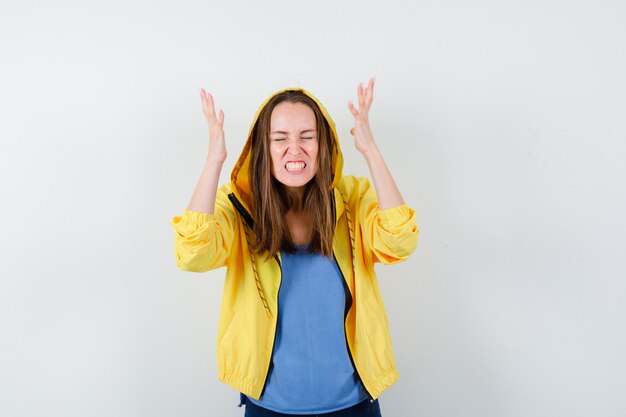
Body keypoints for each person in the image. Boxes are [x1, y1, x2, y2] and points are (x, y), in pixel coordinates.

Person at [170, 78, 419, 417]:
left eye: (307, 136)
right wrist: (215, 160)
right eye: (280, 138)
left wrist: (371, 151)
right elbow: (192, 254)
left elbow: (399, 240)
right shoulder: (239, 208)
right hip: (269, 408)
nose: (295, 149)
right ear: (264, 146)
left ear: (323, 143)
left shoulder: (352, 199)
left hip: (355, 406)